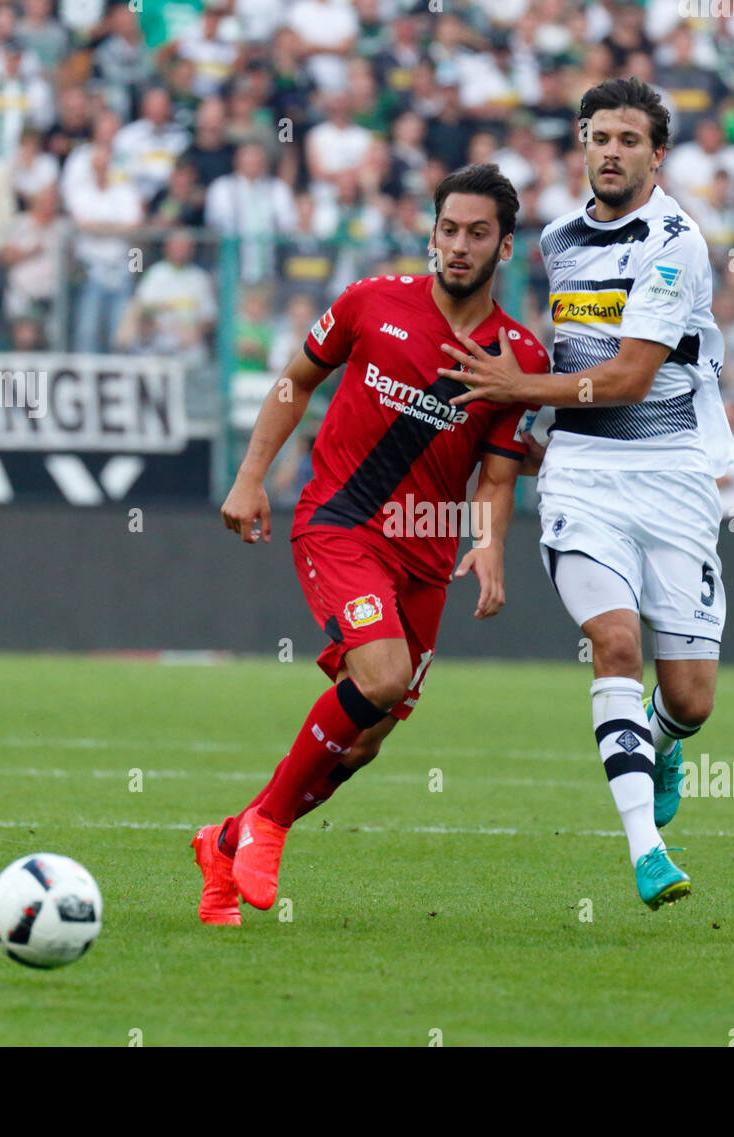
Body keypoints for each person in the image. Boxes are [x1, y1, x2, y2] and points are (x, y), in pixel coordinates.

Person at [194, 164, 547, 926]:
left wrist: (489, 545)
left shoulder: (519, 357)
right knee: (381, 676)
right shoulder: (371, 301)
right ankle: (268, 827)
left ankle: (223, 841)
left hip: (426, 557)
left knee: (365, 742)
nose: (457, 246)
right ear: (431, 233)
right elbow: (295, 382)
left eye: (476, 234)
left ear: (505, 249)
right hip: (340, 524)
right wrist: (251, 476)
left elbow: (497, 474)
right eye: (447, 230)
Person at [437, 79, 733, 912]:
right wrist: (531, 427)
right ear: (582, 143)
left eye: (629, 140)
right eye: (598, 136)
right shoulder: (560, 239)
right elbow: (566, 356)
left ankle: (665, 738)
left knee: (690, 698)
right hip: (583, 481)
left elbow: (633, 378)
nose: (610, 151)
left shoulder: (676, 242)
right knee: (613, 640)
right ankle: (648, 851)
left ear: (656, 154)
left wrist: (520, 390)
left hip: (673, 475)